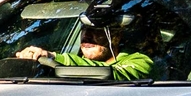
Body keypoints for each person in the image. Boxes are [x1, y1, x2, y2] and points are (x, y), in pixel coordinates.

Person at [16, 24, 155, 80]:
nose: (86, 36)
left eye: (96, 31)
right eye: (84, 30)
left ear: (116, 37)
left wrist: (53, 57)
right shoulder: (74, 60)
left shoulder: (141, 61)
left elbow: (114, 74)